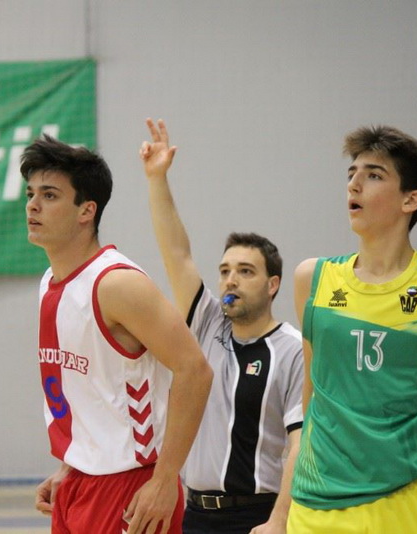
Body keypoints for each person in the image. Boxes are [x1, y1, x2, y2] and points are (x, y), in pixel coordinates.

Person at [287, 125, 417, 533]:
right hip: (317, 503)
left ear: (410, 200)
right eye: (352, 174)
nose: (354, 184)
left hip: (409, 500)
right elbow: (313, 385)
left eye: (374, 175)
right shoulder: (313, 279)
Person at [21, 135, 213, 534]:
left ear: (86, 210)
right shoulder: (50, 282)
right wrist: (72, 464)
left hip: (131, 486)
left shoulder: (117, 284)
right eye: (31, 194)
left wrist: (164, 480)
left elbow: (195, 370)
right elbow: (86, 391)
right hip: (79, 482)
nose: (33, 205)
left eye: (50, 195)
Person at [139, 118, 304, 534]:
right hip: (195, 514)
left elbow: (301, 446)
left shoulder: (293, 349)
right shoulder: (206, 322)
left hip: (257, 516)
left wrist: (280, 519)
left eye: (245, 271)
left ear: (272, 285)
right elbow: (176, 253)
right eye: (225, 270)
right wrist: (157, 179)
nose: (231, 280)